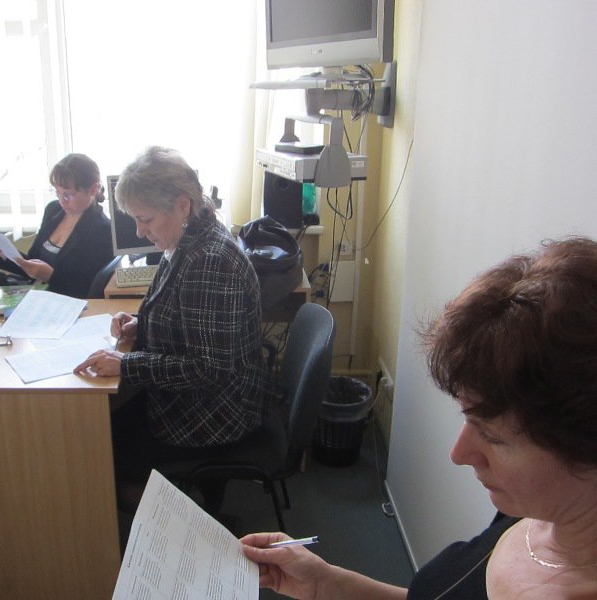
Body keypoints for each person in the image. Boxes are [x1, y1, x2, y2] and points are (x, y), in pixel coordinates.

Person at [241, 236, 597, 599]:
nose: (458, 454)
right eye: (467, 418)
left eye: (494, 437)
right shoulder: (534, 511)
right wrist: (324, 584)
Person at [74, 146, 279, 508]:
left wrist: (126, 364)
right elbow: (187, 318)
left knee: (97, 450)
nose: (140, 231)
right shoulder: (189, 238)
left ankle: (182, 526)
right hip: (202, 396)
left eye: (146, 219)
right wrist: (142, 324)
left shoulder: (209, 261)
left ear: (182, 206)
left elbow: (208, 369)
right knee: (102, 427)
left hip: (216, 411)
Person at [0, 153, 114, 298]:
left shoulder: (103, 230)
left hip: (65, 303)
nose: (62, 201)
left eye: (69, 195)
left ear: (93, 189)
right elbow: (32, 262)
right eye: (58, 193)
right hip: (35, 295)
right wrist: (5, 254)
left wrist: (51, 276)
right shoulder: (53, 210)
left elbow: (89, 290)